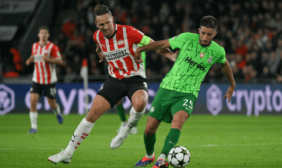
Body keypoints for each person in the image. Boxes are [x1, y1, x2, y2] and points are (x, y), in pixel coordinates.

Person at [48, 4, 177, 164]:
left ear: (112, 19)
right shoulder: (97, 36)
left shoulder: (129, 32)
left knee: (140, 103)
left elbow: (154, 44)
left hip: (135, 78)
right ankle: (67, 153)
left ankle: (126, 129)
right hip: (115, 80)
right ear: (96, 25)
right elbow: (99, 45)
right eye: (101, 24)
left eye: (108, 22)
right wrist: (100, 52)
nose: (106, 27)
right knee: (92, 114)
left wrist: (171, 56)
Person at [133, 16, 236, 168]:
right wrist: (141, 48)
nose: (205, 37)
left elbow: (224, 64)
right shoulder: (186, 38)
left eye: (209, 34)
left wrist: (232, 84)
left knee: (178, 122)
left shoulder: (217, 51)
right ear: (199, 31)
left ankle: (162, 159)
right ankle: (149, 156)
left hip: (188, 93)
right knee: (149, 130)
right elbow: (162, 43)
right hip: (167, 88)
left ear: (215, 33)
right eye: (203, 33)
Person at [25, 26, 63, 134]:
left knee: (52, 104)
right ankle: (34, 127)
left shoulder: (53, 47)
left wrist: (48, 59)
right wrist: (29, 60)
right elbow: (34, 56)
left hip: (49, 80)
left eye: (45, 33)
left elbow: (60, 61)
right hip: (36, 79)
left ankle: (57, 112)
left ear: (48, 35)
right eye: (41, 33)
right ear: (38, 35)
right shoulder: (34, 46)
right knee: (33, 101)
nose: (43, 35)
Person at [116, 47, 146, 135]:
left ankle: (134, 126)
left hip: (137, 75)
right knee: (117, 99)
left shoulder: (141, 43)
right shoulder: (125, 42)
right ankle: (123, 122)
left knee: (136, 101)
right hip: (122, 73)